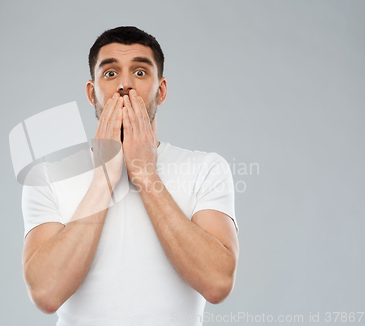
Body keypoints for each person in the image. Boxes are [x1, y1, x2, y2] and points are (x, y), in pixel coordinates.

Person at [20, 26, 239, 325]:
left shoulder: (206, 169)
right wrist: (104, 179)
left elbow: (217, 284)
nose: (125, 85)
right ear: (91, 92)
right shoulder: (47, 177)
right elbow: (46, 293)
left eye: (139, 72)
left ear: (160, 91)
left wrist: (146, 176)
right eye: (110, 74)